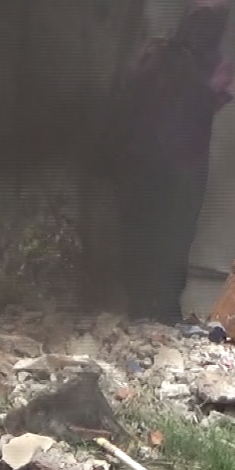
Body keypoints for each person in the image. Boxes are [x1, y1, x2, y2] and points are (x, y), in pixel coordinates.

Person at [113, 0, 232, 325]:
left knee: (177, 236)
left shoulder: (218, 65)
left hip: (185, 166)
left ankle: (164, 308)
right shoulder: (159, 54)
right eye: (202, 16)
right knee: (142, 231)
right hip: (146, 160)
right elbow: (131, 93)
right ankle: (140, 306)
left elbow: (212, 99)